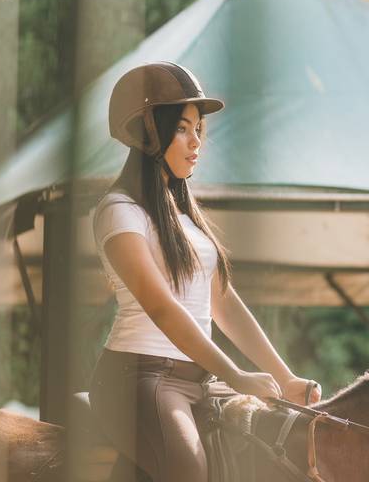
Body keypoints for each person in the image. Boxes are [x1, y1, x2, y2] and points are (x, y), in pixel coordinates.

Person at [88, 61, 321, 482]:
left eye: (199, 129)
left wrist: (285, 379)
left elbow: (223, 304)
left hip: (201, 380)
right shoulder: (118, 212)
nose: (196, 141)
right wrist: (235, 374)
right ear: (148, 132)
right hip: (139, 378)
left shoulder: (185, 216)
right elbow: (160, 307)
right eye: (182, 128)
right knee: (190, 470)